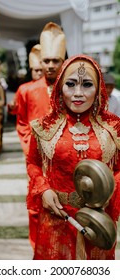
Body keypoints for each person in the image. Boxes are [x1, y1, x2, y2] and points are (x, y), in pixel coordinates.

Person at [27, 54, 120, 260]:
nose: (78, 93)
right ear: (60, 87)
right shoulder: (43, 126)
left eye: (87, 85)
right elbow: (33, 162)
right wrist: (43, 190)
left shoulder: (114, 128)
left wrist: (107, 194)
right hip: (56, 217)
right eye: (70, 84)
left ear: (98, 89)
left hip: (98, 221)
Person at [17, 22, 66, 251]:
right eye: (46, 61)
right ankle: (38, 249)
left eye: (55, 61)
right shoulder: (26, 91)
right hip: (37, 162)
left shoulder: (70, 89)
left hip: (65, 160)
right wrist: (33, 152)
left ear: (63, 61)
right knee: (37, 205)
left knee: (65, 205)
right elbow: (22, 125)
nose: (50, 65)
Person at [8, 44, 43, 152]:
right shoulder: (24, 89)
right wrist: (12, 106)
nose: (39, 73)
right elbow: (17, 109)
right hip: (31, 133)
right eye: (36, 70)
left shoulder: (54, 87)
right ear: (31, 70)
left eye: (41, 70)